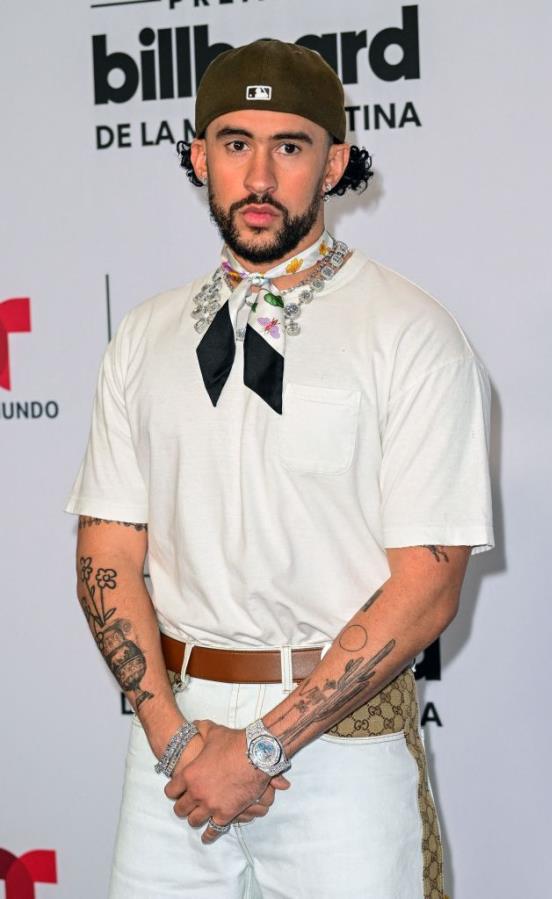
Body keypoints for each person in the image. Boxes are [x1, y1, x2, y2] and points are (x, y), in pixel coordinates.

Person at [66, 38, 493, 899]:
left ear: (334, 163)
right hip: (174, 755)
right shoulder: (143, 338)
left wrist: (262, 746)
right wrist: (180, 743)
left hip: (341, 750)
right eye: (234, 143)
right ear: (198, 156)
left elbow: (428, 587)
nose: (259, 176)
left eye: (289, 146)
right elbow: (106, 555)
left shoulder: (410, 333)